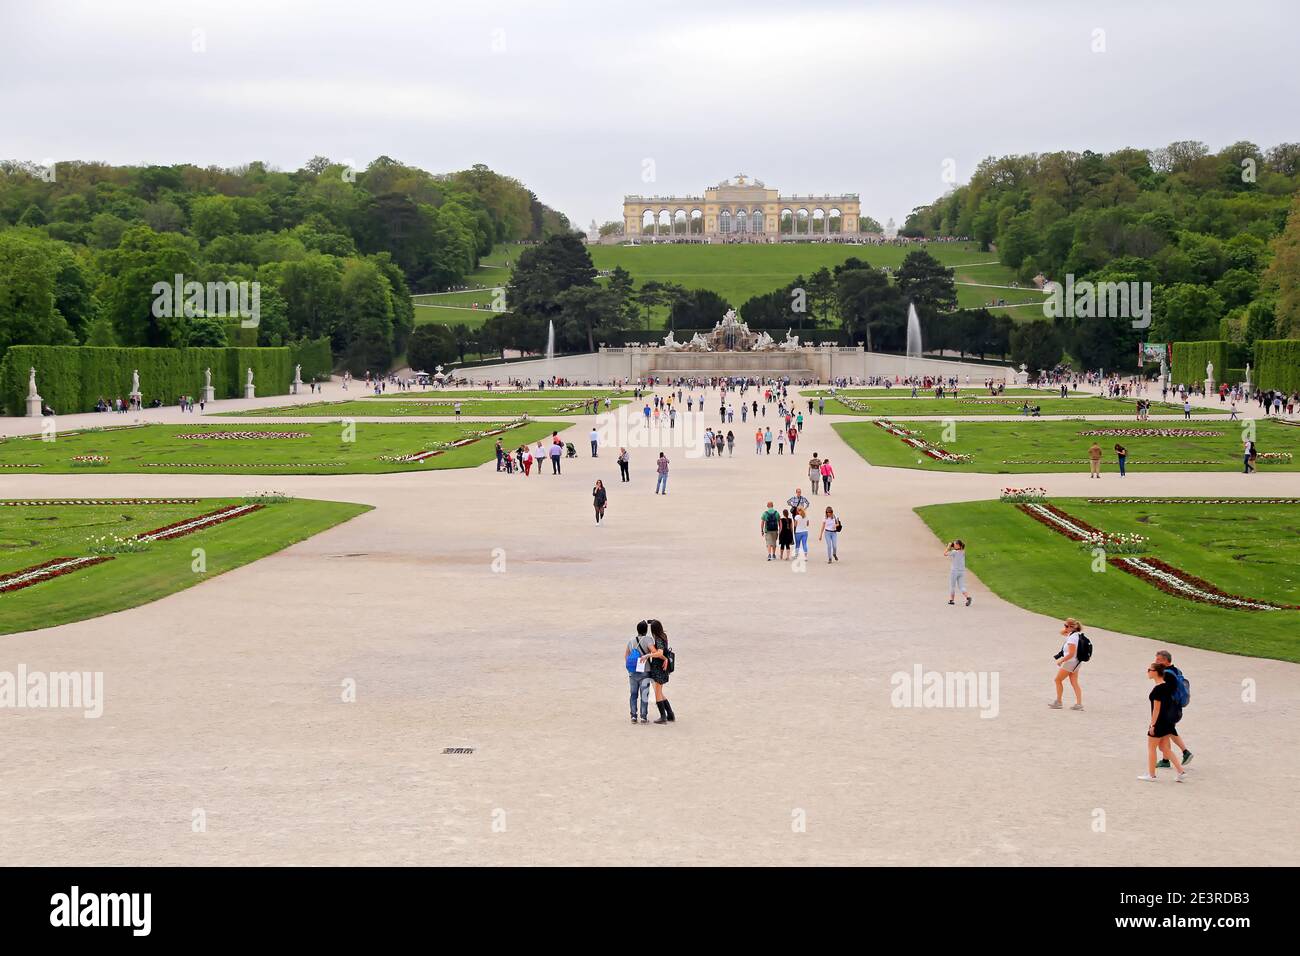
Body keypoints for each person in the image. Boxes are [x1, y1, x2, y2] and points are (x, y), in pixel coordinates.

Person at [1138, 662, 1186, 782]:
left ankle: (1151, 774)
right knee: (1164, 748)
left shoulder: (1158, 689)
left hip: (1159, 722)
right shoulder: (1167, 686)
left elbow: (1156, 709)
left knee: (1151, 747)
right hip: (1167, 721)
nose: (1148, 672)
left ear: (1155, 672)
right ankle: (1180, 771)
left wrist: (1152, 725)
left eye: (1150, 670)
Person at [1153, 650, 1193, 768]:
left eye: (1158, 660)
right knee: (1166, 734)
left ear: (1166, 660)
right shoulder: (1177, 671)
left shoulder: (1167, 674)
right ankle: (1165, 760)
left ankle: (1185, 752)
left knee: (1169, 732)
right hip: (1176, 708)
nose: (1156, 662)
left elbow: (1165, 694)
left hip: (1169, 710)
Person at [1049, 618, 1086, 710]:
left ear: (1071, 627)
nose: (1064, 628)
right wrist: (1067, 628)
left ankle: (1059, 702)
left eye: (1066, 626)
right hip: (1076, 662)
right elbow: (1062, 632)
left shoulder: (1072, 638)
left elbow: (1071, 653)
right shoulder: (1075, 634)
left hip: (1070, 662)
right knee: (1074, 682)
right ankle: (1079, 704)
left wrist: (1061, 661)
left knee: (1057, 680)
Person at [643, 619, 676, 724]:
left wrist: (649, 655)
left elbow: (659, 652)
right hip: (662, 667)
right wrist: (649, 621)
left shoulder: (658, 639)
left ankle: (663, 717)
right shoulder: (664, 636)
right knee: (659, 691)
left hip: (658, 668)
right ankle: (670, 714)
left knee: (657, 693)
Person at [625, 622, 653, 724]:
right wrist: (647, 655)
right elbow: (654, 652)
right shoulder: (648, 639)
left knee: (633, 694)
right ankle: (643, 717)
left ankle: (633, 716)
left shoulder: (631, 641)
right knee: (644, 694)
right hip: (645, 671)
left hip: (632, 672)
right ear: (646, 630)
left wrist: (629, 668)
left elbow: (626, 656)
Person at [945, 539, 970, 606]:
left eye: (955, 544)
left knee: (952, 586)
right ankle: (968, 597)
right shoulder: (963, 552)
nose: (954, 545)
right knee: (961, 586)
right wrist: (953, 546)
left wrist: (948, 546)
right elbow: (958, 550)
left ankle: (952, 600)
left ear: (958, 545)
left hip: (954, 571)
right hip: (962, 571)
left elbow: (945, 554)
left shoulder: (954, 552)